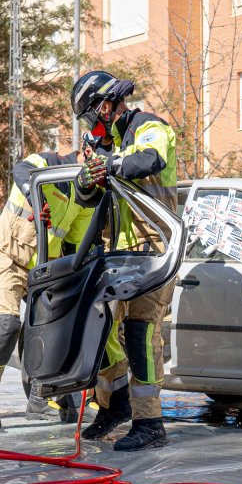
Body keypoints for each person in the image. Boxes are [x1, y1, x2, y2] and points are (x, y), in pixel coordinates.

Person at [0, 145, 97, 432]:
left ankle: (39, 398)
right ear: (85, 151)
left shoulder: (81, 197)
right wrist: (37, 200)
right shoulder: (49, 163)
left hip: (42, 272)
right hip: (8, 259)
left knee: (44, 332)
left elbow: (73, 243)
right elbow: (21, 170)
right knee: (5, 324)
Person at [76, 71, 181, 451]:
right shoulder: (111, 143)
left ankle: (150, 422)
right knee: (102, 331)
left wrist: (110, 164)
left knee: (140, 332)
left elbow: (147, 161)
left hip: (153, 247)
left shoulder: (148, 127)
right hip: (120, 251)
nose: (91, 125)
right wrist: (87, 180)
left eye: (91, 114)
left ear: (105, 105)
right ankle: (112, 407)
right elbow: (89, 195)